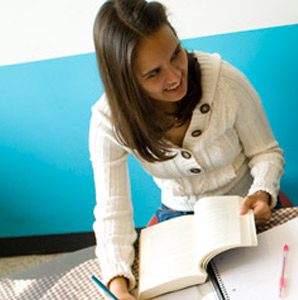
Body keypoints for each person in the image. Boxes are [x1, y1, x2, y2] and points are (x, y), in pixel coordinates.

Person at [89, 0, 284, 298]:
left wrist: (262, 192)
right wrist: (119, 286)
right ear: (125, 82)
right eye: (153, 73)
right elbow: (112, 212)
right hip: (179, 220)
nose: (175, 76)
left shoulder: (224, 81)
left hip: (245, 207)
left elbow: (266, 152)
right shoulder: (108, 121)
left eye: (176, 53)